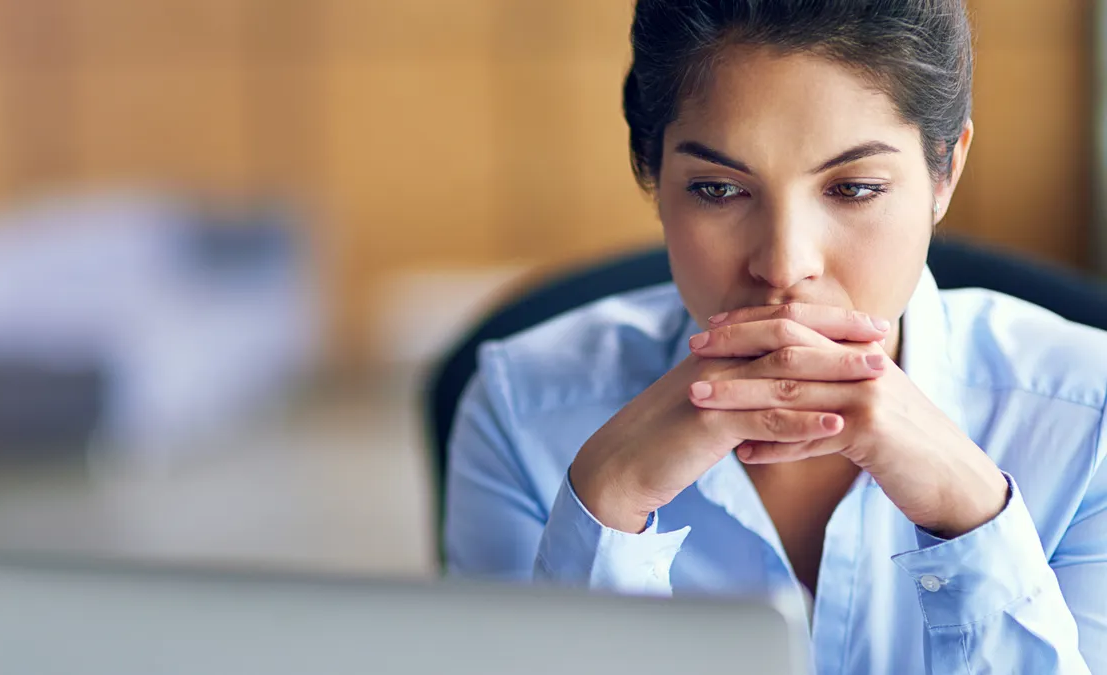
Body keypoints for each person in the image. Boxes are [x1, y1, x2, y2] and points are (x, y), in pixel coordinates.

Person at [444, 1, 1107, 673]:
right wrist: (604, 510)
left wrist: (972, 518)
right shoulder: (520, 408)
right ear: (652, 173)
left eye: (853, 188)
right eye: (717, 189)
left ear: (945, 172)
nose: (785, 265)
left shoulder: (1090, 421)